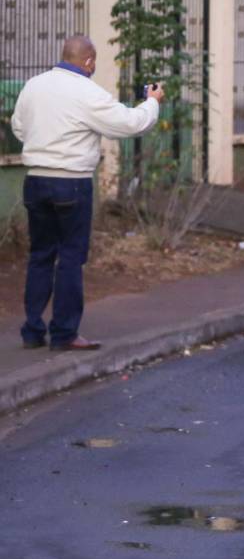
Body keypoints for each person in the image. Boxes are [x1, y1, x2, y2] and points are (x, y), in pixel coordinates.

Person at [12, 34, 163, 351]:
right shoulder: (88, 92)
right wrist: (152, 102)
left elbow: (19, 128)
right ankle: (64, 334)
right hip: (72, 182)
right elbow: (129, 123)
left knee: (40, 256)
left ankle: (32, 331)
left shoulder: (34, 85)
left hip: (36, 180)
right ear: (89, 61)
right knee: (69, 258)